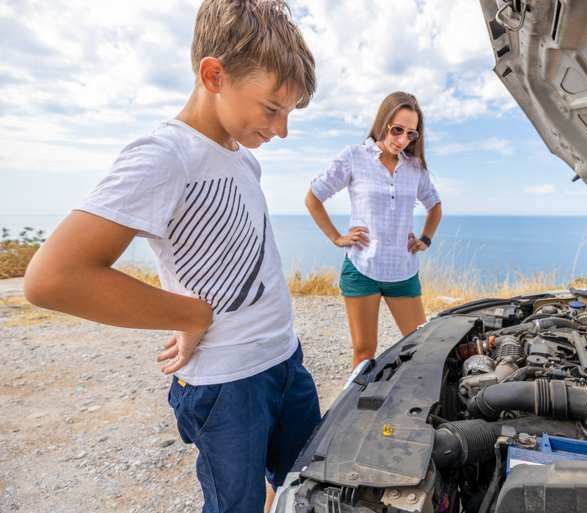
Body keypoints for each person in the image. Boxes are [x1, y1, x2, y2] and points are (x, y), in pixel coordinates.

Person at [23, 1, 320, 511]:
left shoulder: (243, 159)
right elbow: (53, 277)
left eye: (289, 113)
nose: (282, 130)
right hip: (228, 384)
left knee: (308, 488)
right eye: (272, 109)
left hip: (284, 362)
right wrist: (190, 314)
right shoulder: (165, 155)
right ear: (213, 75)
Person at [305, 92, 443, 370]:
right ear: (383, 122)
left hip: (403, 272)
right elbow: (313, 197)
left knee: (420, 347)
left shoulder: (415, 167)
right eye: (397, 129)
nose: (403, 139)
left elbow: (435, 206)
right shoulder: (354, 156)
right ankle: (357, 410)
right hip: (361, 270)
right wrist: (337, 238)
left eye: (411, 134)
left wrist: (425, 239)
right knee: (365, 351)